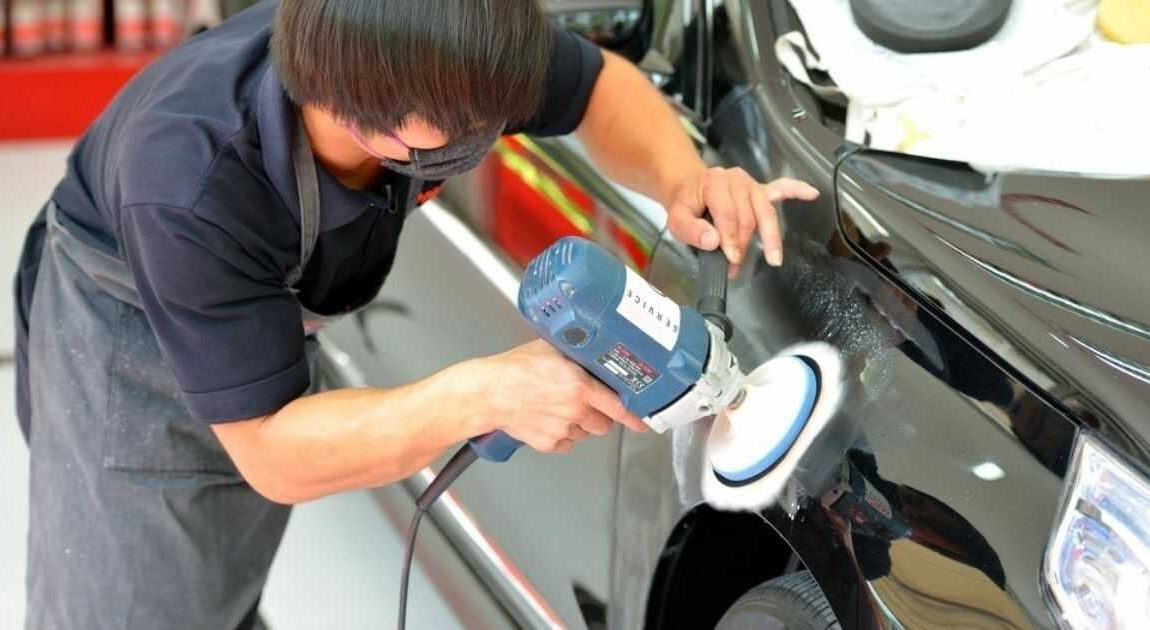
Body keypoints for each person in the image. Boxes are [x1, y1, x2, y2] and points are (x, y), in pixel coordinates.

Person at [12, 1, 820, 628]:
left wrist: (682, 179)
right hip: (127, 331)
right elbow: (272, 452)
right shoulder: (190, 181)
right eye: (469, 125)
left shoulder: (452, 52)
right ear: (365, 118)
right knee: (137, 601)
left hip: (262, 303)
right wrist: (480, 396)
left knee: (213, 570)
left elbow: (596, 86)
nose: (495, 125)